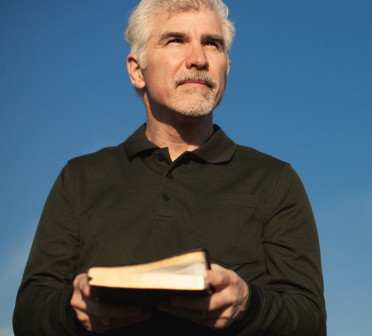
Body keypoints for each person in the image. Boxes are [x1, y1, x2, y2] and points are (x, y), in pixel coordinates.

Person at [13, 0, 326, 335]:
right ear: (136, 70)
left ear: (227, 67)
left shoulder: (274, 180)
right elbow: (30, 312)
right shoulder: (80, 178)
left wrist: (248, 304)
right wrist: (72, 310)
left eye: (212, 43)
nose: (199, 58)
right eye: (175, 40)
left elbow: (309, 319)